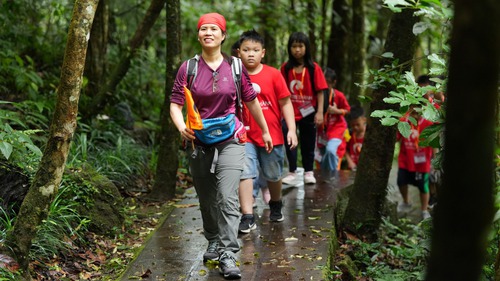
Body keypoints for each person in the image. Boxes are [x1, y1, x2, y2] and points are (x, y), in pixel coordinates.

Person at [169, 13, 273, 280]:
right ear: (198, 35)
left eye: (214, 29)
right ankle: (213, 239)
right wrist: (182, 127)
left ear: (223, 36)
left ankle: (228, 254)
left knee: (227, 197)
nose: (208, 33)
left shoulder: (235, 67)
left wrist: (265, 130)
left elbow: (250, 101)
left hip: (231, 139)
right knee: (206, 199)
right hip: (199, 141)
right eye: (203, 29)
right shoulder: (188, 68)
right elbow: (175, 103)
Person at [236, 29, 298, 233]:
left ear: (263, 52)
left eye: (255, 50)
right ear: (239, 52)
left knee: (273, 174)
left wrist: (291, 130)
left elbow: (286, 103)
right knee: (245, 172)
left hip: (272, 134)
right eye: (246, 50)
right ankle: (247, 215)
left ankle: (276, 203)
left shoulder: (273, 74)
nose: (250, 54)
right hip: (244, 135)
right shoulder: (235, 75)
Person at [280, 32, 328, 185]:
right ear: (289, 48)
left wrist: (320, 112)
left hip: (309, 112)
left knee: (308, 142)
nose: (297, 50)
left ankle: (308, 171)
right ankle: (292, 171)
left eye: (300, 46)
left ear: (307, 47)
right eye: (294, 46)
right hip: (289, 113)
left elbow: (321, 92)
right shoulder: (285, 69)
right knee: (290, 142)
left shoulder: (314, 68)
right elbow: (280, 91)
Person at [396, 106, 434, 220]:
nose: (415, 115)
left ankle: (424, 210)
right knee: (401, 181)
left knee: (423, 186)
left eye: (418, 112)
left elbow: (434, 142)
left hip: (422, 162)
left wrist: (435, 160)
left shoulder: (428, 122)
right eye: (413, 111)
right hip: (405, 158)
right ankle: (406, 202)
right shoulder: (403, 120)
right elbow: (397, 138)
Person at [316, 68, 350, 179]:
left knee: (331, 151)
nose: (325, 86)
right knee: (319, 157)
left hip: (336, 129)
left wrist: (337, 111)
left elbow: (347, 110)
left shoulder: (339, 96)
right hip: (321, 132)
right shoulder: (317, 95)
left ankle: (331, 177)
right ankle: (325, 178)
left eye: (328, 83)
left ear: (334, 83)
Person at [345, 106, 366, 171]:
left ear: (364, 120)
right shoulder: (349, 134)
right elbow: (345, 149)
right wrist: (349, 161)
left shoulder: (369, 135)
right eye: (353, 125)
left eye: (358, 124)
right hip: (352, 168)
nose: (355, 127)